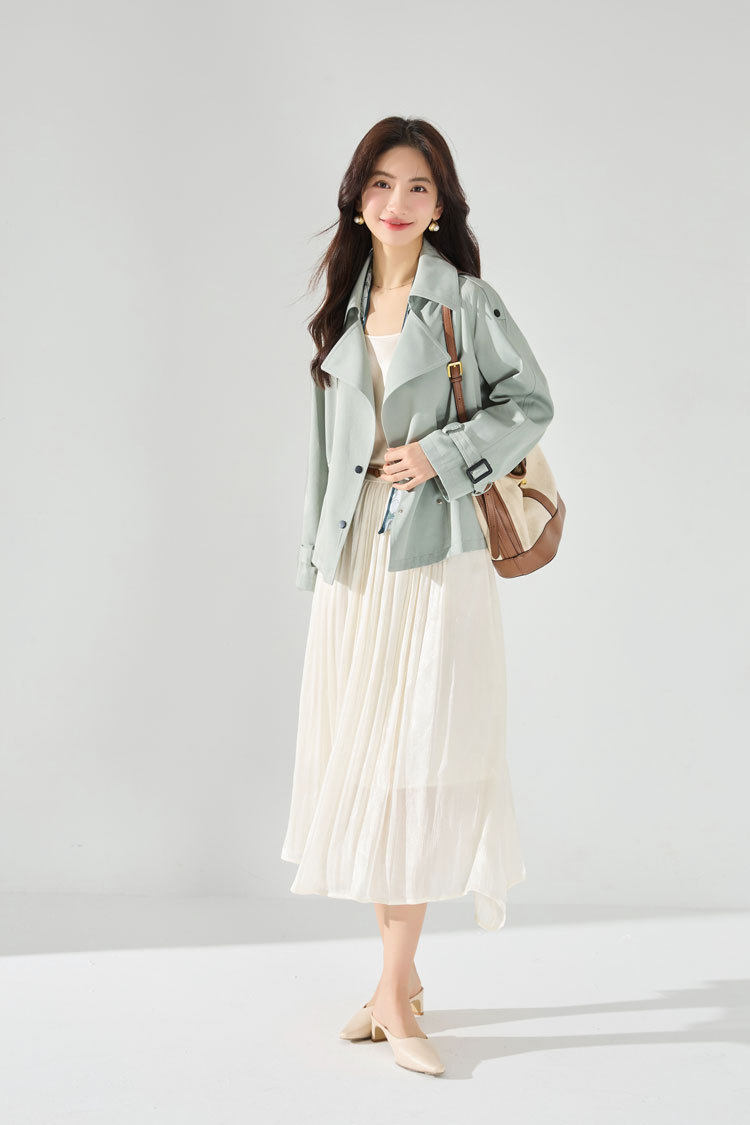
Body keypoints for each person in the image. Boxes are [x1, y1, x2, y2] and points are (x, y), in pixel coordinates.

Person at [281, 116, 555, 1076]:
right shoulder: (345, 309)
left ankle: (395, 996)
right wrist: (316, 561)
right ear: (358, 198)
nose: (397, 203)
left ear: (441, 208)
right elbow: (323, 456)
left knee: (415, 767)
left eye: (418, 188)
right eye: (382, 185)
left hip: (436, 565)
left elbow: (530, 403)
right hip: (356, 568)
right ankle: (399, 984)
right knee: (368, 768)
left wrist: (441, 453)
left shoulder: (464, 302)